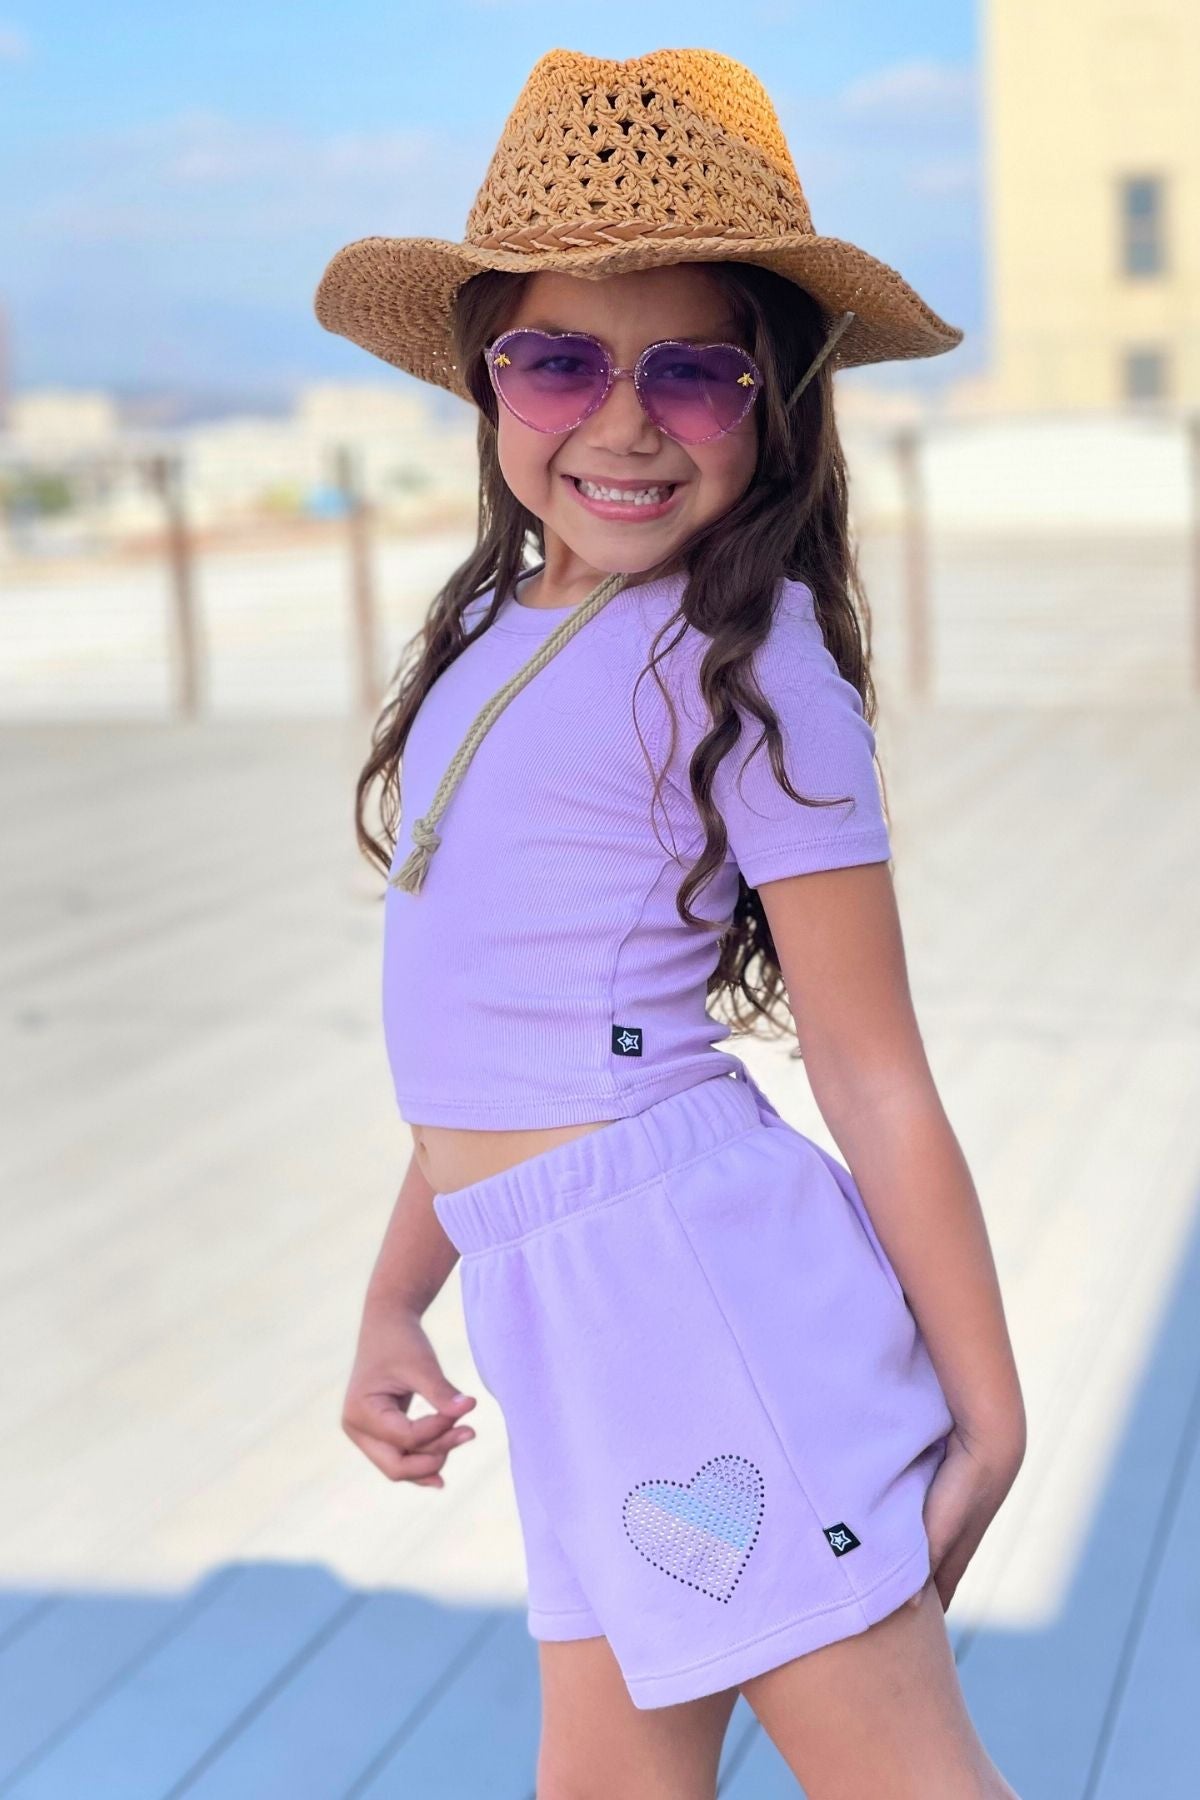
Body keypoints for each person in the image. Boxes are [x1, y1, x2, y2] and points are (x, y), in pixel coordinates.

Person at [315, 46, 1025, 1799]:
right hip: (560, 1316)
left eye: (694, 372)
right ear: (487, 379)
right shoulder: (493, 632)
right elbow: (489, 1055)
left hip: (695, 1296)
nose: (623, 424)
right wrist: (398, 1301)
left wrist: (989, 1407)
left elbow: (870, 1069)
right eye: (559, 361)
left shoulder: (751, 658)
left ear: (775, 402)